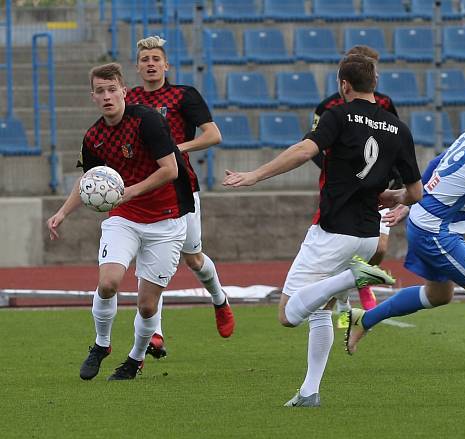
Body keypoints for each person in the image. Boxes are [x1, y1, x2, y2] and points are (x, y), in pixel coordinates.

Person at [223, 54, 422, 407]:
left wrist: (254, 175)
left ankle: (352, 278)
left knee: (287, 315)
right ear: (374, 84)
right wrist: (394, 195)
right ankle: (309, 392)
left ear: (344, 85)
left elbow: (304, 151)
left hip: (332, 231)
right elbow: (416, 193)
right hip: (367, 235)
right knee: (320, 310)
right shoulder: (398, 128)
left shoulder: (338, 114)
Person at [346, 96, 465, 373]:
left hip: (425, 221)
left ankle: (365, 318)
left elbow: (437, 163)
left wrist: (409, 202)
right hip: (436, 231)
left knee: (438, 295)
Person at [47, 63, 195, 380]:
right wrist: (62, 212)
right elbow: (89, 181)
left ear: (124, 91)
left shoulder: (147, 121)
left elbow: (171, 170)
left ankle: (135, 359)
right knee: (108, 282)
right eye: (100, 91)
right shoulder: (95, 137)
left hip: (166, 221)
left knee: (146, 305)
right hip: (124, 218)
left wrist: (128, 192)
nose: (107, 96)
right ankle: (101, 345)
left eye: (112, 89)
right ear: (93, 97)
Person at [126, 36, 234, 359]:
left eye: (155, 59)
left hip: (181, 186)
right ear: (137, 66)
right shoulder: (129, 99)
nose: (150, 64)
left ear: (166, 65)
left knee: (194, 259)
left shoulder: (183, 95)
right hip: (145, 188)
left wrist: (176, 150)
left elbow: (214, 134)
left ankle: (219, 299)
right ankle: (154, 334)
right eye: (144, 59)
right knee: (149, 260)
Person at [310, 44, 407, 329]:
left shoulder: (385, 104)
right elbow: (314, 148)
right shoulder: (328, 108)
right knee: (340, 253)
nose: (375, 75)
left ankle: (359, 283)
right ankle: (342, 301)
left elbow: (395, 143)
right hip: (341, 192)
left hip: (377, 187)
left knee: (378, 247)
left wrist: (399, 179)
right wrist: (338, 175)